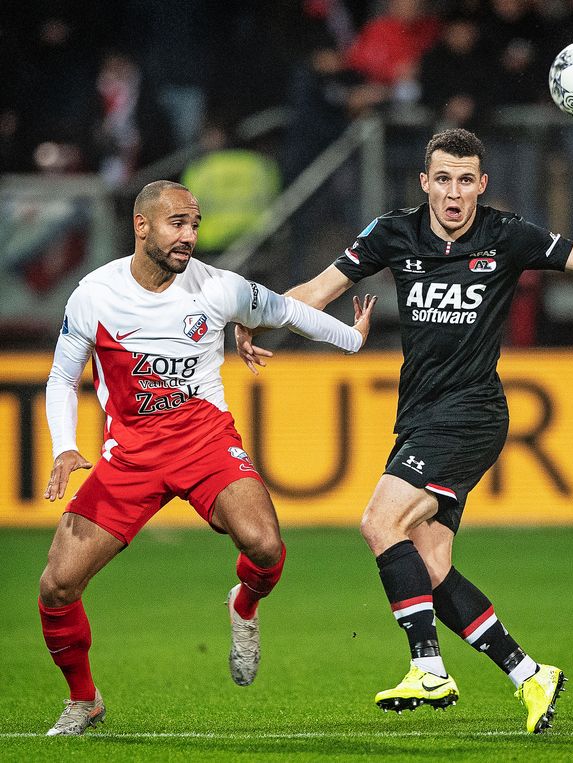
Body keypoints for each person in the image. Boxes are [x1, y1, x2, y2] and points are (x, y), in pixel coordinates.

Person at [236, 128, 573, 734]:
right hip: (419, 413)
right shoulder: (392, 234)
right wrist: (256, 319)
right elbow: (317, 292)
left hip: (471, 411)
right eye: (442, 180)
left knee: (379, 521)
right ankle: (530, 674)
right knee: (429, 565)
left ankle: (427, 667)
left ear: (482, 184)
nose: (453, 194)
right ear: (424, 183)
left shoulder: (506, 235)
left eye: (464, 181)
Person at [39, 180, 376, 736]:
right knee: (56, 586)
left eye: (194, 224)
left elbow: (286, 311)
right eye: (177, 223)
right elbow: (60, 377)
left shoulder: (218, 287)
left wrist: (353, 340)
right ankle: (84, 700)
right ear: (141, 225)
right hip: (131, 456)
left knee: (265, 545)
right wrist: (64, 444)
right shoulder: (94, 295)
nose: (189, 236)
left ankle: (244, 605)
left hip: (204, 442)